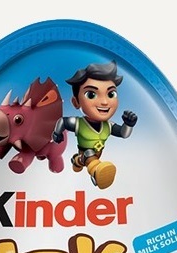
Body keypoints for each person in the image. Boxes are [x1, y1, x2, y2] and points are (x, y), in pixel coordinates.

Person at [53, 60, 137, 189]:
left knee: (85, 159)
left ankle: (77, 161)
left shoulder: (108, 125)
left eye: (111, 94)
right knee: (88, 154)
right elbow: (62, 121)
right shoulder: (78, 123)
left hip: (98, 153)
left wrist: (129, 124)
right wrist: (57, 133)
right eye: (91, 95)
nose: (104, 102)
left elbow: (123, 133)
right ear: (76, 102)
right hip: (86, 153)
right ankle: (95, 172)